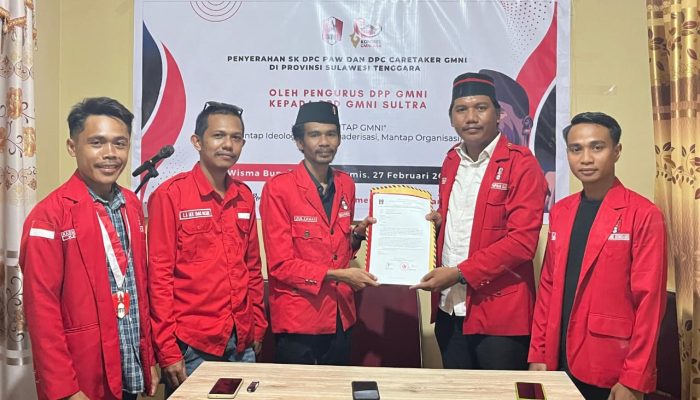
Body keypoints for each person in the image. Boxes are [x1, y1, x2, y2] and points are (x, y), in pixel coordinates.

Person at [20, 97, 158, 400]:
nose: (110, 153)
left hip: (128, 364)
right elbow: (41, 310)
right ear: (73, 147)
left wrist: (147, 359)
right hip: (82, 376)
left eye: (120, 143)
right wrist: (65, 389)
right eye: (97, 142)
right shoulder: (49, 216)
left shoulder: (131, 205)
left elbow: (138, 288)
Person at [411, 72, 547, 370]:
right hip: (450, 308)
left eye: (481, 108)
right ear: (451, 118)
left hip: (499, 316)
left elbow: (522, 243)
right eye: (461, 109)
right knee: (457, 389)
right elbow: (462, 219)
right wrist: (437, 222)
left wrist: (460, 272)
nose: (471, 117)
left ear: (498, 114)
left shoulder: (521, 163)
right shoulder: (451, 160)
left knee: (499, 391)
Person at [528, 112, 667, 400]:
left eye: (597, 147)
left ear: (617, 151)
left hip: (609, 363)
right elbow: (548, 288)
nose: (586, 159)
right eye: (576, 149)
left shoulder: (643, 214)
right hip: (556, 357)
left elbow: (650, 303)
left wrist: (634, 378)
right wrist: (538, 353)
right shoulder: (561, 211)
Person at [147, 101, 267, 394]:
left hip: (241, 341)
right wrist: (168, 349)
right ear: (197, 142)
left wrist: (258, 325)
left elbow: (252, 268)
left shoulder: (244, 196)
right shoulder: (170, 195)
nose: (228, 145)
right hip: (192, 346)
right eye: (218, 136)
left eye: (236, 138)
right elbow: (159, 278)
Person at [260, 101, 378, 365]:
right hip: (298, 319)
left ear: (339, 139)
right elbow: (280, 265)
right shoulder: (279, 189)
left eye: (331, 134)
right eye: (315, 135)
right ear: (299, 142)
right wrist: (338, 275)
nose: (324, 142)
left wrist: (356, 237)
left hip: (341, 315)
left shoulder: (346, 184)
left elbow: (334, 248)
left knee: (337, 386)